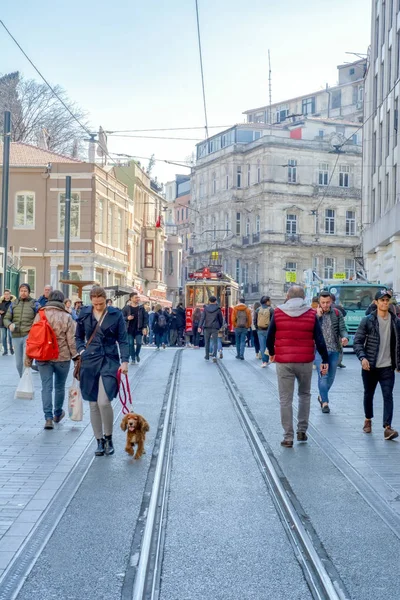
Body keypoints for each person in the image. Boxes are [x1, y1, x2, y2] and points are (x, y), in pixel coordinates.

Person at [266, 285, 328, 448]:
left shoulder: (278, 312)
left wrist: (272, 352)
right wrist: (325, 359)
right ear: (303, 297)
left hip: (284, 362)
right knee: (304, 395)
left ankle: (288, 437)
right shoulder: (311, 313)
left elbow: (270, 336)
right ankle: (302, 430)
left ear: (287, 296)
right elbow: (319, 339)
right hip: (305, 361)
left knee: (285, 399)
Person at [75, 286, 129, 456]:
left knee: (104, 401)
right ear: (91, 300)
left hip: (109, 359)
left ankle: (109, 437)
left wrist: (125, 361)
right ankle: (99, 441)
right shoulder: (84, 314)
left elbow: (123, 339)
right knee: (93, 403)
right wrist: (82, 350)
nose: (98, 306)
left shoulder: (116, 314)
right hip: (90, 360)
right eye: (95, 303)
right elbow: (78, 336)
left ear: (105, 300)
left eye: (101, 303)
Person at [25, 290, 78, 430]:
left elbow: (33, 338)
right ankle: (57, 414)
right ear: (62, 301)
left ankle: (47, 418)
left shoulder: (40, 314)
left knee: (46, 387)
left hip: (43, 356)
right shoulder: (67, 317)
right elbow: (71, 340)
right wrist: (76, 357)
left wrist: (29, 357)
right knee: (59, 387)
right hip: (62, 357)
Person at [354, 290, 400, 440]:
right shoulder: (368, 320)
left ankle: (387, 427)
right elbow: (358, 342)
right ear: (376, 302)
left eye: (387, 300)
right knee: (369, 394)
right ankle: (368, 419)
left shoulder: (395, 322)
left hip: (387, 367)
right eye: (382, 300)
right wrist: (363, 358)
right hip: (370, 366)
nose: (385, 303)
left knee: (388, 395)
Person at [314, 291, 349, 413]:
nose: (325, 305)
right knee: (324, 376)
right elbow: (310, 331)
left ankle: (321, 396)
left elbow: (342, 328)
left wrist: (345, 337)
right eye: (323, 302)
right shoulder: (314, 315)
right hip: (319, 352)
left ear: (331, 302)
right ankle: (325, 402)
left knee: (331, 377)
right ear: (319, 302)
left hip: (334, 350)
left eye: (327, 302)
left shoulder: (336, 313)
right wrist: (317, 317)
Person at [4, 283, 37, 377]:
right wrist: (9, 324)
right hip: (16, 336)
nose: (23, 293)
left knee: (25, 361)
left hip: (28, 335)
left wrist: (34, 328)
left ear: (29, 292)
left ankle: (24, 383)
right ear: (19, 292)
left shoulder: (34, 303)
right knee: (18, 364)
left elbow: (40, 316)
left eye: (25, 291)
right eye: (21, 291)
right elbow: (6, 318)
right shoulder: (13, 304)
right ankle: (22, 380)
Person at [122, 292, 148, 364]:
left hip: (138, 329)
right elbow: (121, 317)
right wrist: (127, 318)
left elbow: (145, 318)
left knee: (139, 343)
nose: (137, 299)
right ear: (131, 298)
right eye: (136, 297)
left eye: (138, 297)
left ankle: (137, 354)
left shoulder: (141, 308)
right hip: (129, 329)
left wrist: (144, 327)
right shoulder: (126, 308)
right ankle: (133, 359)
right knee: (130, 344)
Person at [198, 296, 223, 362]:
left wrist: (199, 326)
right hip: (215, 327)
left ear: (209, 301)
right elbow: (221, 318)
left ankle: (207, 356)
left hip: (207, 327)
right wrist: (220, 326)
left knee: (207, 342)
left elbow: (202, 318)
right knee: (215, 342)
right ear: (215, 301)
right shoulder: (218, 309)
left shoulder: (205, 308)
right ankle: (214, 356)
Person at [255, 295, 274, 368]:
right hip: (268, 330)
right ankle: (267, 359)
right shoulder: (271, 310)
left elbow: (255, 320)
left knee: (262, 347)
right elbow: (273, 321)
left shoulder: (258, 309)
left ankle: (264, 361)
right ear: (267, 301)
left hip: (260, 330)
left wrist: (257, 328)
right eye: (270, 300)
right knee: (268, 345)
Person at [330, 292, 347, 368]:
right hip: (337, 333)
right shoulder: (338, 307)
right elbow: (345, 314)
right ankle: (339, 362)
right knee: (339, 347)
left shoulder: (321, 308)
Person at [0, 289, 16, 355]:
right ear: (4, 295)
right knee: (3, 336)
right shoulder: (1, 302)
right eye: (5, 294)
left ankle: (11, 349)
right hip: (2, 321)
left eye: (8, 294)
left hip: (10, 321)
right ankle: (5, 350)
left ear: (10, 294)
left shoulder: (13, 302)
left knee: (10, 336)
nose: (6, 295)